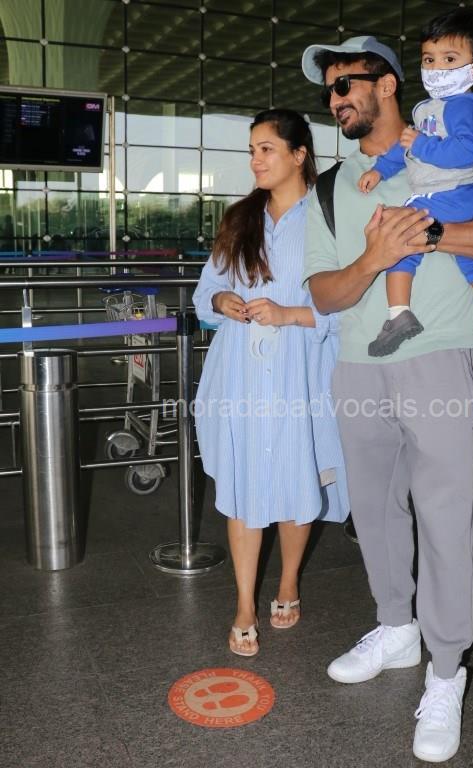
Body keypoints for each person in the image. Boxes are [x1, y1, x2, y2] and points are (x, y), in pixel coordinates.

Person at [301, 27, 473, 764]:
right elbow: (323, 292)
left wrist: (429, 235)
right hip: (357, 363)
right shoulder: (332, 187)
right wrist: (375, 256)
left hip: (437, 356)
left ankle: (446, 669)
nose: (335, 99)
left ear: (388, 84)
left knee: (444, 517)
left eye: (346, 84)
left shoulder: (453, 147)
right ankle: (396, 627)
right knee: (373, 512)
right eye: (328, 90)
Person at [193, 108, 349, 657]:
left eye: (266, 149)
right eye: (252, 151)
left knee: (297, 478)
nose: (256, 161)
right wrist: (221, 299)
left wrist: (291, 315)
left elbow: (350, 304)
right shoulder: (240, 219)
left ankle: (287, 583)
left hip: (300, 371)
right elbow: (204, 293)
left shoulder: (329, 220)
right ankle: (243, 604)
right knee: (242, 483)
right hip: (240, 371)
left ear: (299, 155)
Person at [356, 9, 473, 358]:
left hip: (448, 193)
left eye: (450, 59)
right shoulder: (428, 108)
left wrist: (422, 145)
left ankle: (398, 315)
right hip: (462, 198)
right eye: (429, 59)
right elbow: (404, 147)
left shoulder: (465, 106)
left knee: (397, 238)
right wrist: (381, 169)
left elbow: (467, 151)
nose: (437, 68)